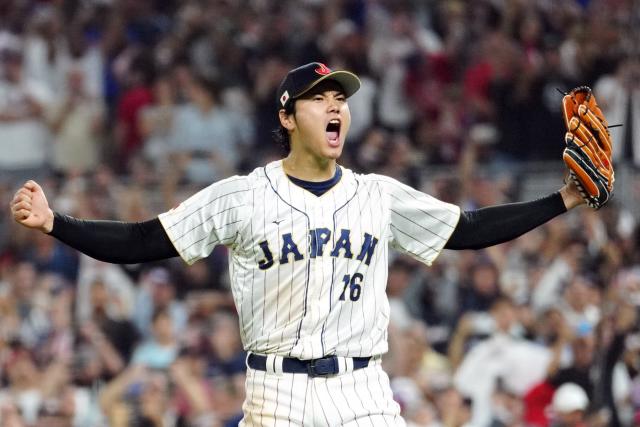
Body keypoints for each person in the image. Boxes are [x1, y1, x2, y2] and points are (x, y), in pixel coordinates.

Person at [11, 62, 589, 426]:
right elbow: (143, 240)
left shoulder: (376, 195)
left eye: (341, 98)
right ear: (287, 116)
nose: (336, 105)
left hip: (364, 390)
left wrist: (562, 199)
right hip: (276, 393)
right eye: (320, 98)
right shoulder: (242, 196)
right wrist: (56, 223)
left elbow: (469, 228)